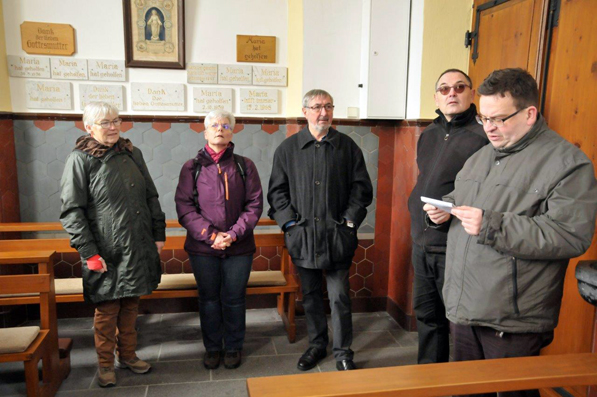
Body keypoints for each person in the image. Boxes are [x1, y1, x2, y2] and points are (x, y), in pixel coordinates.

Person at [425, 68, 597, 397]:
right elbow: (466, 200)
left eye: (499, 119)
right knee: (467, 392)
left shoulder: (568, 164)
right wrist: (443, 209)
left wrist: (492, 225)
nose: (489, 127)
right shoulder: (482, 157)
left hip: (511, 319)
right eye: (484, 118)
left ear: (529, 113)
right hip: (465, 306)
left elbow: (571, 234)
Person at [60, 102, 166, 387]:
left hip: (138, 244)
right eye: (105, 122)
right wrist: (89, 253)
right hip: (105, 251)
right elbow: (72, 212)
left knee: (132, 304)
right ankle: (106, 365)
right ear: (89, 127)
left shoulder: (132, 153)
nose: (113, 126)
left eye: (116, 120)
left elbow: (151, 197)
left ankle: (128, 355)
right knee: (107, 311)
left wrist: (158, 235)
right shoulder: (80, 159)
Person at [268, 89, 373, 371]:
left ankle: (342, 352)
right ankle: (316, 345)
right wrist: (290, 224)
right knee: (311, 295)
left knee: (339, 296)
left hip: (337, 237)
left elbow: (361, 190)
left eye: (328, 106)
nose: (323, 113)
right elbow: (277, 193)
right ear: (305, 112)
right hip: (302, 237)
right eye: (316, 107)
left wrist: (349, 223)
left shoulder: (348, 147)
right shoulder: (287, 149)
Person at [407, 69, 488, 364]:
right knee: (427, 316)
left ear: (471, 93)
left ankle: (460, 385)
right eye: (444, 89)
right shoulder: (428, 133)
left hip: (455, 244)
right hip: (422, 241)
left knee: (459, 323)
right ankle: (429, 381)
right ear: (436, 97)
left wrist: (452, 212)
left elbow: (487, 192)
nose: (451, 93)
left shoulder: (483, 136)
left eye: (458, 87)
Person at [175, 109, 263, 370]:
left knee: (234, 298)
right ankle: (213, 347)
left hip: (240, 246)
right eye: (214, 125)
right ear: (205, 132)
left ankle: (234, 346)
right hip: (203, 248)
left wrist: (233, 234)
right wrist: (211, 235)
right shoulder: (192, 167)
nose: (219, 129)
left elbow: (254, 204)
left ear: (232, 131)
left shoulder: (245, 165)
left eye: (225, 125)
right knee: (209, 299)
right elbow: (185, 208)